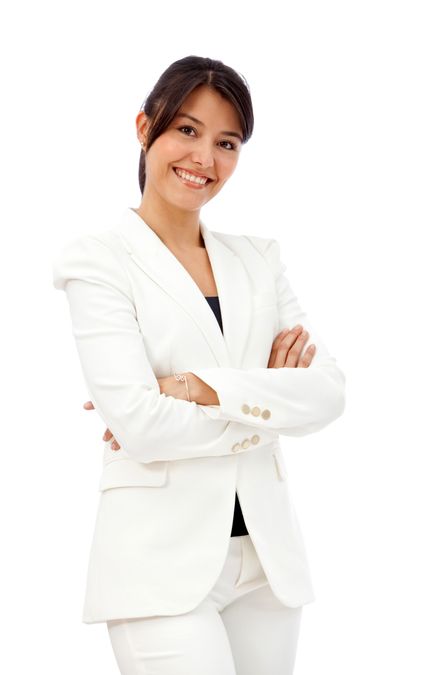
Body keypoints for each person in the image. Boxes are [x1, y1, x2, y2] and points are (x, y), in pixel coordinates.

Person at [52, 55, 346, 675]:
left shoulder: (257, 260)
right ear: (144, 129)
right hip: (158, 568)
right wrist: (265, 403)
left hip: (265, 565)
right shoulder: (98, 261)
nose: (204, 159)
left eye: (226, 142)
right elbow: (140, 424)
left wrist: (193, 388)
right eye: (186, 131)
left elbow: (326, 393)